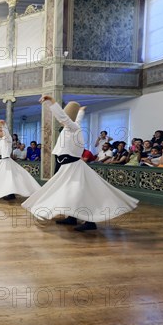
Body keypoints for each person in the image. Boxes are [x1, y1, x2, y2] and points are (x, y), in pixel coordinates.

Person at [22, 96, 138, 232]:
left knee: (78, 193)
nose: (60, 120)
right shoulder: (72, 126)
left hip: (72, 167)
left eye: (65, 117)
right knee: (69, 192)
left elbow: (63, 117)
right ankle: (72, 217)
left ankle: (89, 221)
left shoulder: (72, 127)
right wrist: (81, 111)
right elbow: (76, 119)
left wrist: (51, 102)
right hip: (66, 166)